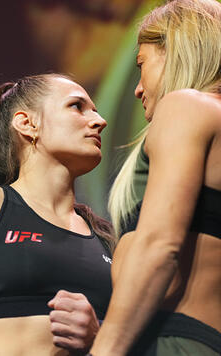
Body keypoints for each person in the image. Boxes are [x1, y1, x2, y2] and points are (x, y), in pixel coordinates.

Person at [0, 73, 115, 355]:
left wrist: (99, 334)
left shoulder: (107, 240)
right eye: (76, 106)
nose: (99, 121)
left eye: (95, 110)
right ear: (27, 123)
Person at [89, 0, 221, 355]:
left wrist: (105, 348)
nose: (136, 88)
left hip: (174, 340)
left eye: (141, 65)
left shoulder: (187, 107)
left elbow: (159, 247)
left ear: (176, 51)